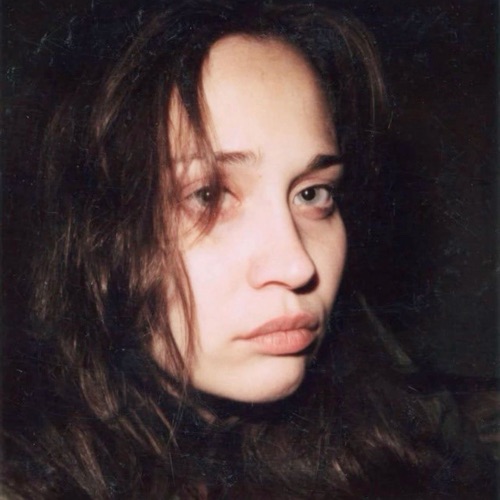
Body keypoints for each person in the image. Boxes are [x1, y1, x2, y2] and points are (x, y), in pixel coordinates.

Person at [2, 1, 494, 498]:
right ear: (91, 232)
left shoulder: (393, 408)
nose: (298, 265)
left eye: (312, 193)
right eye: (208, 195)